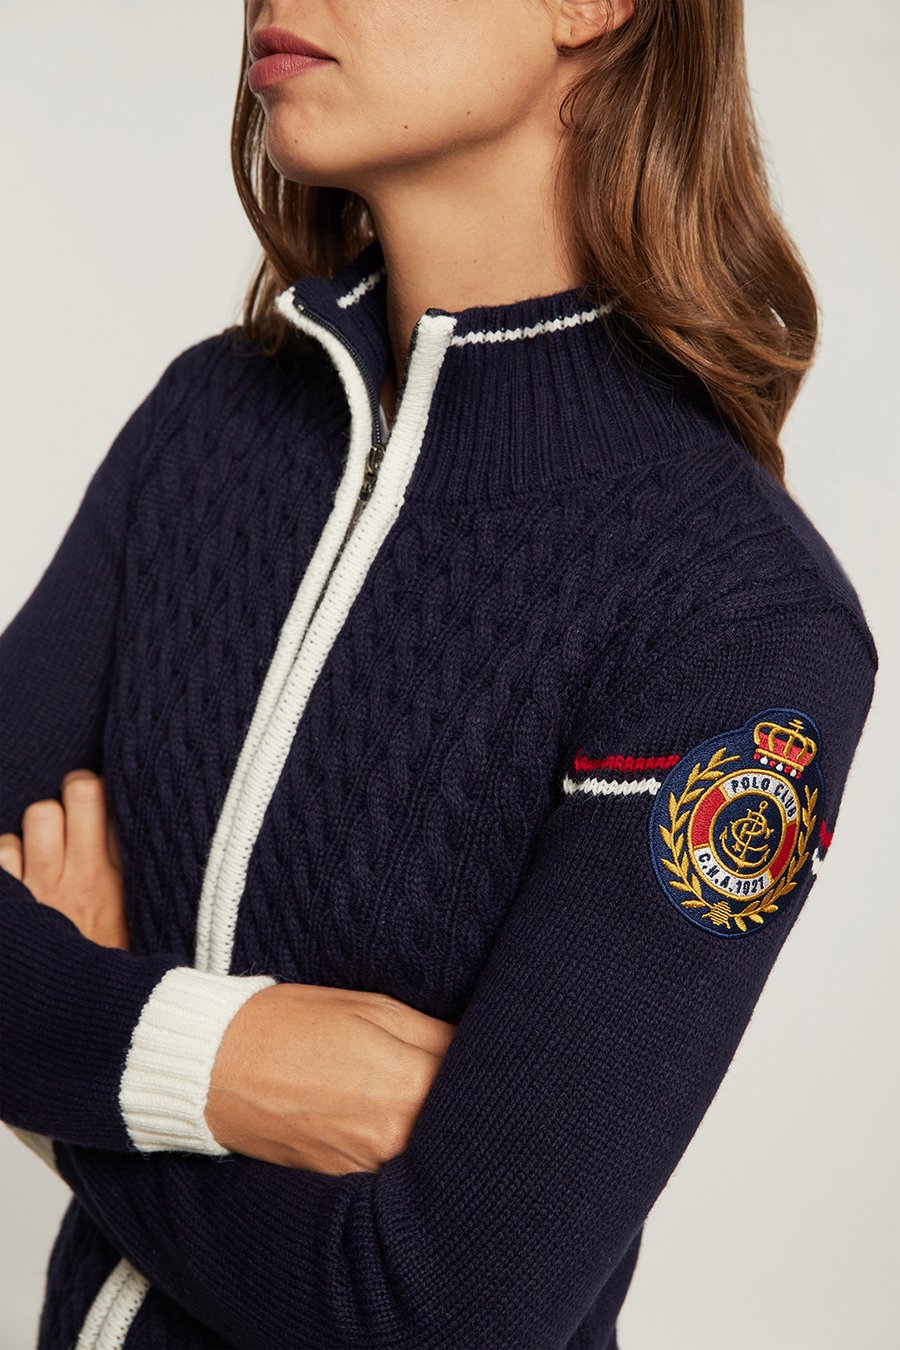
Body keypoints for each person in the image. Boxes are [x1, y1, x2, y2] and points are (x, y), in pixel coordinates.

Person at [0, 1, 878, 1347]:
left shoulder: (735, 617)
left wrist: (61, 1055)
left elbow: (440, 1310)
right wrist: (212, 1058)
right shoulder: (206, 427)